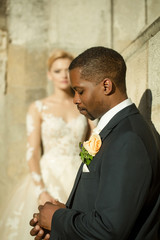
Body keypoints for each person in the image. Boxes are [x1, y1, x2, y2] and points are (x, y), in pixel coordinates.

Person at [30, 46, 160, 240]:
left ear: (106, 86)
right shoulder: (114, 129)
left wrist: (57, 219)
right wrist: (63, 219)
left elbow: (109, 229)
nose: (75, 99)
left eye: (80, 91)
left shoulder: (128, 140)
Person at [0, 49, 93, 240]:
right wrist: (41, 190)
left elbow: (90, 144)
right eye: (57, 71)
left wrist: (89, 171)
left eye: (68, 70)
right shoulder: (38, 107)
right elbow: (32, 153)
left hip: (77, 172)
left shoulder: (82, 104)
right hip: (49, 174)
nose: (63, 75)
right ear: (49, 75)